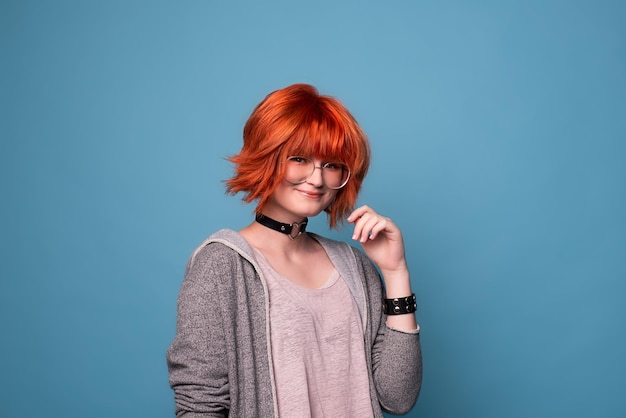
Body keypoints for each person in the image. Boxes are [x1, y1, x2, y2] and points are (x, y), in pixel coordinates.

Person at [166, 83, 422, 417]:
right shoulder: (222, 264)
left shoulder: (354, 266)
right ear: (266, 157)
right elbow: (199, 403)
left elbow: (397, 397)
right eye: (300, 159)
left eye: (331, 165)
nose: (316, 179)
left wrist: (395, 272)